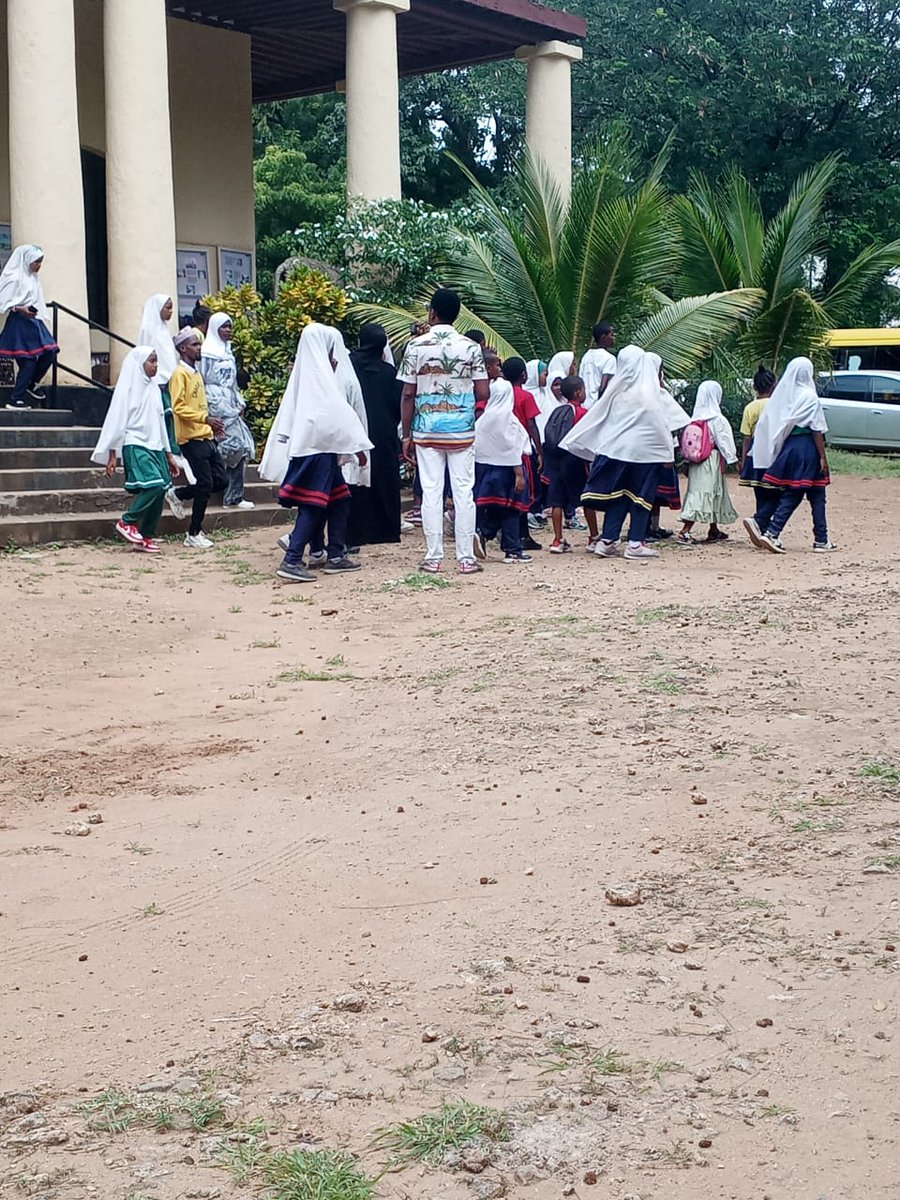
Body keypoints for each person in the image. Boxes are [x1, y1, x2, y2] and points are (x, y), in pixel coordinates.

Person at [261, 323, 372, 582]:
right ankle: (292, 559)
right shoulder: (322, 384)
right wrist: (358, 446)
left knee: (339, 498)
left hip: (316, 450)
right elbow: (338, 415)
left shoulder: (307, 378)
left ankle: (335, 554)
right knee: (313, 505)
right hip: (318, 452)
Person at [400, 288, 489, 575]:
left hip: (426, 430)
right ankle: (466, 559)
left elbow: (407, 394)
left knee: (431, 491)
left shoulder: (415, 347)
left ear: (432, 312)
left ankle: (433, 557)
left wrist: (406, 434)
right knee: (464, 492)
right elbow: (483, 391)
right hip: (461, 430)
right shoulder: (471, 348)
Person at [560, 345, 673, 561]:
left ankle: (608, 540)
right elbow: (658, 426)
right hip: (644, 456)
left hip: (615, 454)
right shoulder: (647, 394)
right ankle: (635, 543)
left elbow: (600, 419)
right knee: (641, 498)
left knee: (618, 498)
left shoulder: (616, 391)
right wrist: (667, 454)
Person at [90, 346, 181, 553]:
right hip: (135, 443)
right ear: (140, 363)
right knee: (154, 485)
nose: (156, 365)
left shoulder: (155, 389)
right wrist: (112, 454)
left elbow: (160, 424)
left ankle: (146, 536)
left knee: (161, 491)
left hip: (156, 446)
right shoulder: (128, 388)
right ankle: (127, 521)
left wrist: (169, 455)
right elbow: (117, 419)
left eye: (157, 361)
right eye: (152, 361)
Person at [745, 356, 837, 554]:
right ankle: (773, 532)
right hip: (808, 448)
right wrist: (822, 456)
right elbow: (817, 429)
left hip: (790, 448)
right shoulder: (810, 397)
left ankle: (821, 538)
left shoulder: (784, 396)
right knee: (800, 493)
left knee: (813, 492)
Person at [170, 329, 226, 548]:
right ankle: (194, 533)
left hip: (206, 436)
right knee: (204, 483)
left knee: (220, 481)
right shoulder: (179, 374)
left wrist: (212, 425)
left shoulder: (195, 373)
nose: (199, 348)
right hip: (190, 438)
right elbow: (178, 406)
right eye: (195, 345)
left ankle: (178, 493)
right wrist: (205, 418)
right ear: (183, 348)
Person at [348, 323, 403, 547]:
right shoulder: (389, 372)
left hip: (354, 430)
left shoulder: (348, 367)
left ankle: (354, 531)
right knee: (384, 479)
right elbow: (398, 404)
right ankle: (386, 529)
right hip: (383, 433)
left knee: (356, 479)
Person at [473, 377, 533, 563]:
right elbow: (513, 448)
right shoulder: (509, 420)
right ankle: (512, 549)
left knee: (496, 508)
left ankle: (484, 533)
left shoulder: (483, 420)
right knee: (512, 511)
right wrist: (519, 475)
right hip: (510, 473)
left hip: (487, 473)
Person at [200, 313, 255, 510]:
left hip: (231, 404)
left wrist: (238, 401)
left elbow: (231, 383)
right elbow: (202, 380)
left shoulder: (228, 352)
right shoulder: (206, 353)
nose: (228, 331)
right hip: (215, 403)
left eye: (230, 327)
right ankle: (224, 491)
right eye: (224, 327)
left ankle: (234, 495)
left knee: (240, 449)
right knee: (231, 447)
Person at [676, 381, 739, 544]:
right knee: (707, 493)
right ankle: (685, 531)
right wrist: (734, 460)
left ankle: (714, 529)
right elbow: (725, 442)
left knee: (704, 492)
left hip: (697, 463)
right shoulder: (717, 420)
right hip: (711, 461)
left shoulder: (694, 419)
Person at [543, 375, 599, 553]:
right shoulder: (582, 413)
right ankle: (594, 537)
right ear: (578, 392)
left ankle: (558, 539)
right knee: (586, 499)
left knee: (557, 501)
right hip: (575, 461)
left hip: (556, 462)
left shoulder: (557, 411)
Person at [0, 245, 59, 409]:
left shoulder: (33, 278)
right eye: (36, 261)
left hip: (34, 321)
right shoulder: (13, 277)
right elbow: (4, 301)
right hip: (19, 322)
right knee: (27, 361)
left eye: (40, 261)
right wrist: (20, 308)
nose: (39, 265)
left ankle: (31, 383)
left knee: (50, 351)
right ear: (27, 260)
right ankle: (16, 399)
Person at [502, 356, 544, 551]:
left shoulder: (500, 393)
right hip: (522, 450)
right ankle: (522, 535)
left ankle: (516, 533)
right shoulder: (525, 396)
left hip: (502, 448)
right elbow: (531, 425)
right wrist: (540, 451)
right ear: (524, 375)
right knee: (525, 493)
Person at [646, 351, 688, 539]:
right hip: (658, 452)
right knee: (650, 492)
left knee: (654, 493)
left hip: (650, 451)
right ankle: (647, 528)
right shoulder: (656, 395)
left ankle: (653, 527)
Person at [739, 365, 780, 541]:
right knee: (776, 493)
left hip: (754, 454)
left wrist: (743, 459)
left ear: (755, 387)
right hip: (774, 451)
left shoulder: (750, 408)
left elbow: (746, 436)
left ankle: (761, 529)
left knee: (760, 493)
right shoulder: (779, 405)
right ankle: (761, 523)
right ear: (774, 386)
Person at [579, 321, 617, 408]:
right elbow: (603, 387)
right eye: (612, 335)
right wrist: (599, 408)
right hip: (597, 405)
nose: (614, 338)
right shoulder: (609, 358)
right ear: (604, 337)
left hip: (584, 404)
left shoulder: (586, 356)